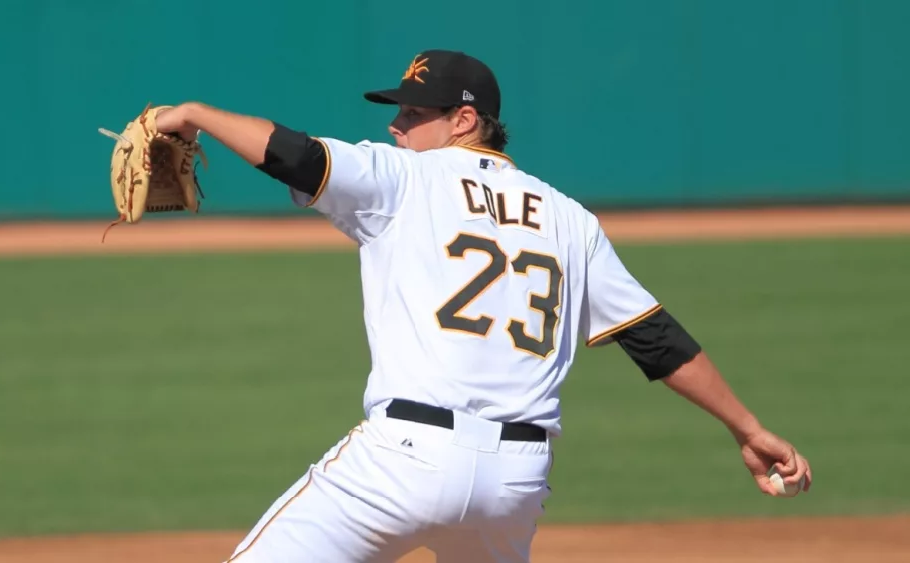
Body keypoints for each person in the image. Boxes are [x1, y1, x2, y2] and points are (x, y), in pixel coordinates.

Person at [154, 49, 812, 563]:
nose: (396, 123)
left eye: (413, 113)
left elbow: (292, 154)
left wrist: (195, 113)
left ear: (465, 120)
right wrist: (748, 428)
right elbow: (656, 340)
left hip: (403, 460)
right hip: (514, 483)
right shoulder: (569, 218)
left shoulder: (402, 177)